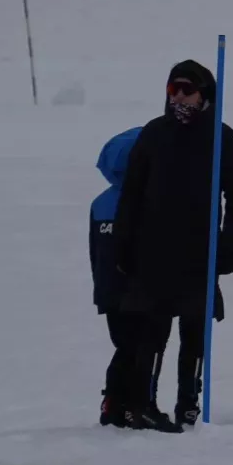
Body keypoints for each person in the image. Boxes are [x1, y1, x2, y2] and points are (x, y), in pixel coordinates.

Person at [114, 59, 233, 431]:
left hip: (198, 253)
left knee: (194, 330)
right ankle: (144, 404)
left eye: (186, 90)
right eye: (171, 89)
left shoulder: (223, 139)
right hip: (153, 251)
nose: (178, 97)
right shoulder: (154, 134)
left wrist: (227, 247)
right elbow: (132, 194)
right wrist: (123, 244)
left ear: (204, 94)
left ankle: (188, 404)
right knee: (153, 330)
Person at [90, 126, 143, 428]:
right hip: (135, 289)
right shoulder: (144, 203)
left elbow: (93, 252)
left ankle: (116, 402)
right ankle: (122, 404)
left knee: (125, 345)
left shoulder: (99, 204)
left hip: (109, 291)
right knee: (137, 347)